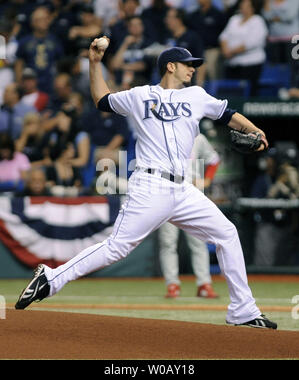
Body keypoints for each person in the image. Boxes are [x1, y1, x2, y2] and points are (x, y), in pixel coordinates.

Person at [15, 38, 277, 330]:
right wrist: (94, 62)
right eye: (188, 65)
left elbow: (228, 116)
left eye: (194, 65)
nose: (192, 69)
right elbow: (102, 99)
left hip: (184, 188)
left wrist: (256, 130)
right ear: (170, 66)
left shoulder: (197, 96)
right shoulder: (140, 95)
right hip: (151, 185)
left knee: (227, 233)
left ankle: (243, 311)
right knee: (116, 248)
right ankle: (52, 278)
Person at [159, 133, 220, 298]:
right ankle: (172, 284)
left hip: (192, 192)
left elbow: (214, 159)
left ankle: (204, 284)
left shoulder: (197, 137)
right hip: (168, 192)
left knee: (198, 241)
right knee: (168, 242)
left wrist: (206, 180)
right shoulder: (162, 133)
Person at [219, 0, 268, 96]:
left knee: (249, 93)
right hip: (232, 64)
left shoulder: (258, 21)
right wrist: (225, 50)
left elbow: (252, 42)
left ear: (253, 8)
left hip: (251, 64)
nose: (243, 8)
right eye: (242, 6)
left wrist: (231, 52)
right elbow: (224, 36)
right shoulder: (234, 19)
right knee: (232, 93)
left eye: (246, 6)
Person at [14, 6, 64, 94]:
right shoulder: (24, 42)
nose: (45, 22)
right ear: (33, 23)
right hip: (30, 85)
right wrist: (19, 83)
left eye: (46, 19)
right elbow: (19, 63)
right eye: (40, 19)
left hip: (50, 83)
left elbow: (60, 63)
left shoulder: (55, 41)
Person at [164, 8, 206, 85]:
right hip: (170, 83)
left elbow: (201, 63)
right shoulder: (167, 37)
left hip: (187, 83)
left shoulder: (192, 37)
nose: (166, 20)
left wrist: (199, 84)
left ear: (178, 20)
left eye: (169, 17)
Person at [188, 0, 227, 80]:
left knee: (211, 68)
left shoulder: (218, 15)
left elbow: (224, 34)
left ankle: (214, 90)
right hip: (195, 51)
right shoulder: (193, 15)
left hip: (212, 49)